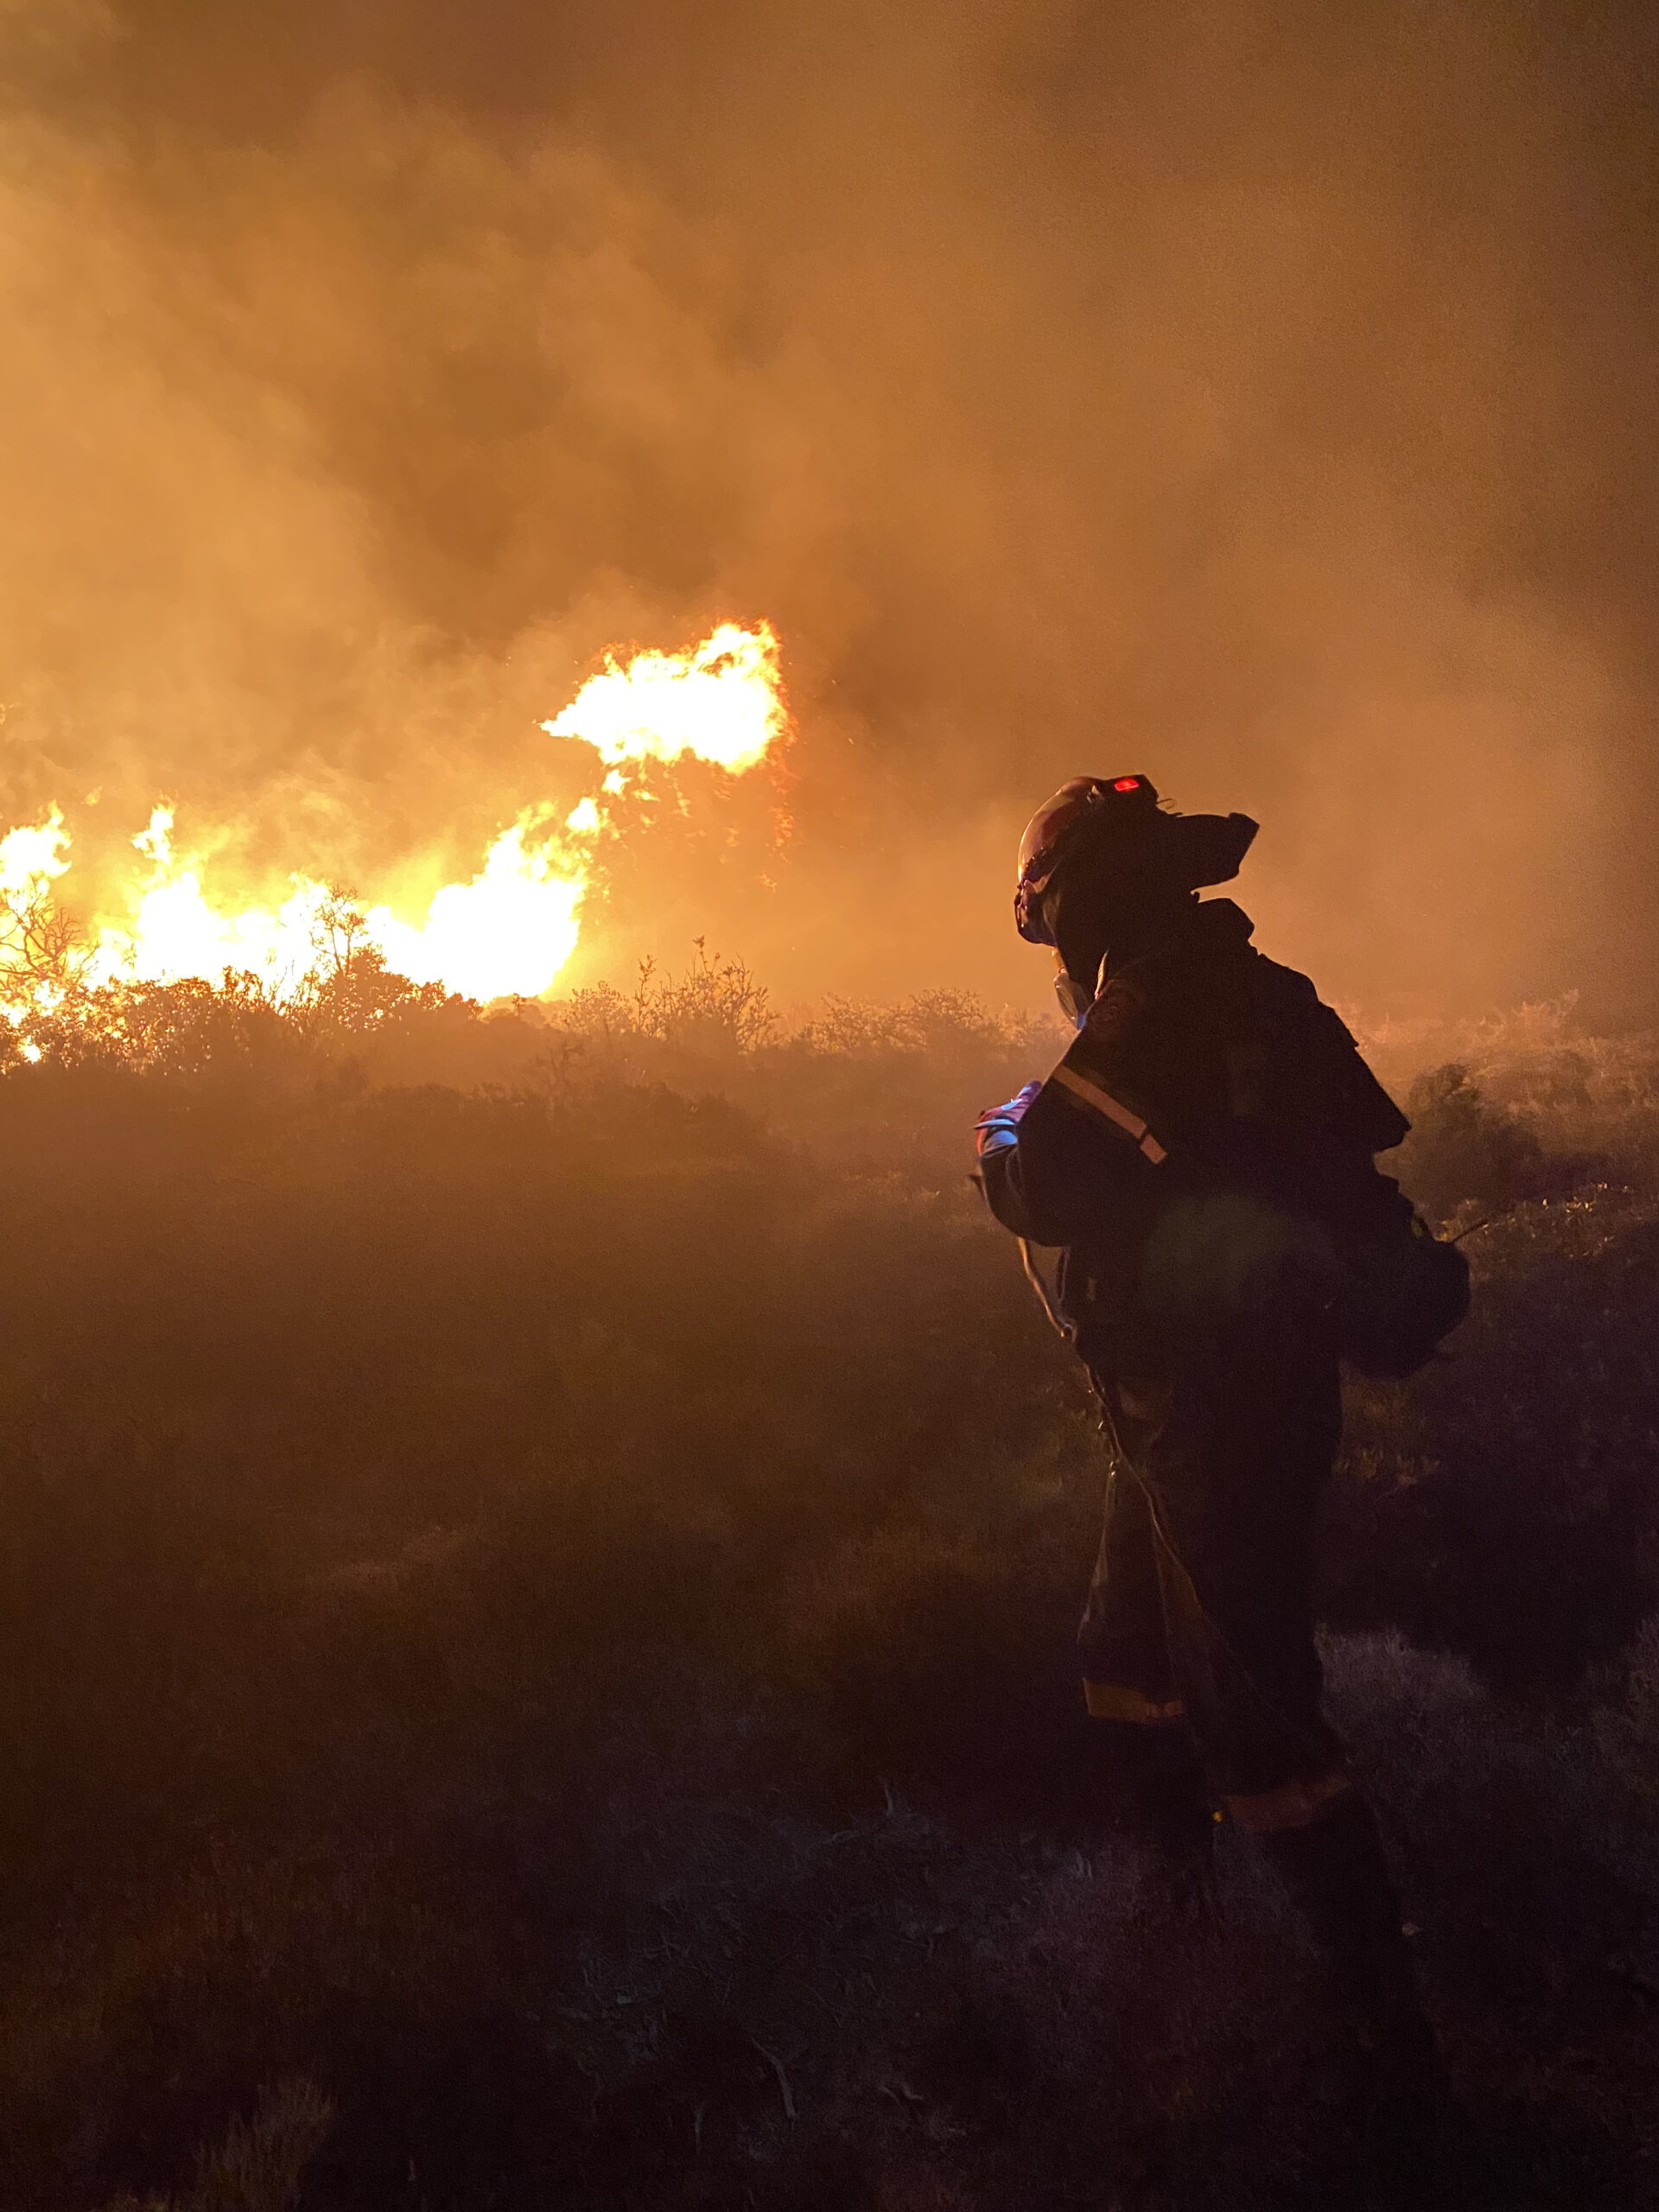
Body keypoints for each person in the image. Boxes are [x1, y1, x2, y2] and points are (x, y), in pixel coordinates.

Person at [974, 773, 1467, 2137]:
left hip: (1209, 1405)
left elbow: (1043, 1177)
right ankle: (1173, 1932)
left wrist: (999, 1128)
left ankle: (1390, 2058)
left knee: (1258, 1717)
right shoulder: (1265, 991)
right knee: (1123, 1664)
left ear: (1078, 901)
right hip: (1202, 1399)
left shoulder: (1152, 1007)